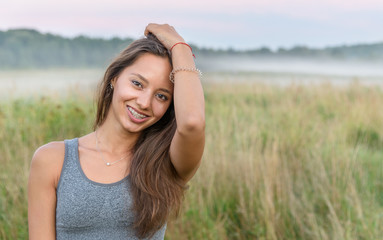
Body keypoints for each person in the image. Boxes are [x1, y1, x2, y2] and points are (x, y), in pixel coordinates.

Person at [27, 23, 205, 240]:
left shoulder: (168, 162)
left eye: (161, 96)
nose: (144, 102)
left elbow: (192, 123)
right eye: (138, 84)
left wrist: (180, 47)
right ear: (114, 78)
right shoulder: (52, 160)